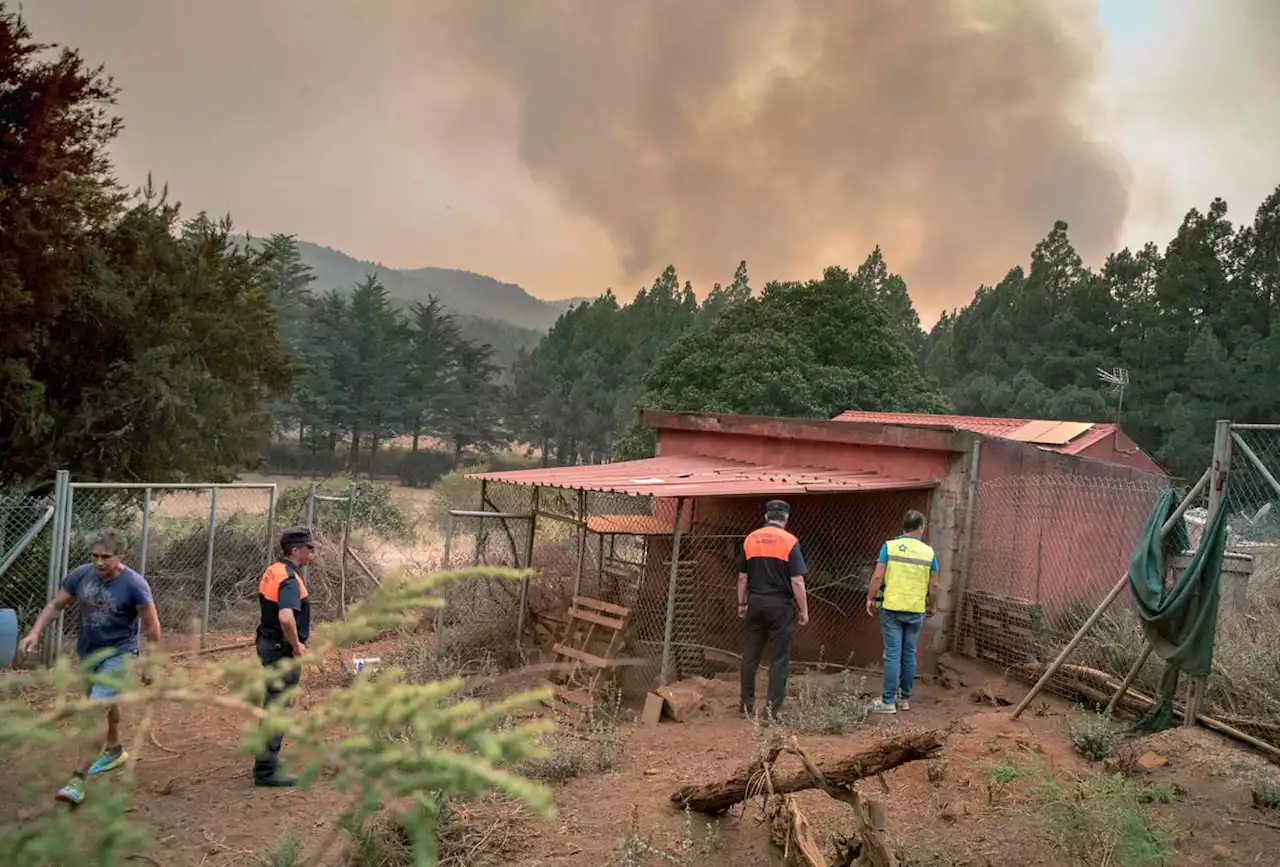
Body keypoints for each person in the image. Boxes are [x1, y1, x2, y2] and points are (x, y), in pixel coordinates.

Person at [19, 528, 162, 805]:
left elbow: (152, 626)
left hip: (120, 653)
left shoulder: (134, 584)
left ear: (120, 555)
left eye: (106, 557)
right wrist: (35, 632)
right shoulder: (81, 575)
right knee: (105, 702)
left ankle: (77, 779)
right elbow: (55, 605)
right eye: (95, 556)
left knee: (94, 709)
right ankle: (114, 749)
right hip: (88, 652)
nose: (99, 562)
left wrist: (150, 663)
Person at [252, 525, 314, 787]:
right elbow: (286, 617)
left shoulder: (274, 570)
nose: (313, 551)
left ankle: (266, 763)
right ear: (296, 549)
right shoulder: (289, 578)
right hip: (280, 650)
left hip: (267, 643)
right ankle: (266, 771)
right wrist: (297, 645)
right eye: (309, 547)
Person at [736, 499, 809, 720]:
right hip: (780, 606)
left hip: (756, 603)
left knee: (750, 655)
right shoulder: (790, 541)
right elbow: (797, 581)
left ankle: (746, 705)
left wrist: (741, 604)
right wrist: (804, 609)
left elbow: (742, 578)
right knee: (779, 659)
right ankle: (772, 711)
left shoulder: (751, 539)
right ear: (785, 519)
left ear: (766, 517)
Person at [865, 510, 939, 715]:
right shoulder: (929, 552)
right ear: (921, 528)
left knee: (892, 655)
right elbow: (934, 585)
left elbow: (878, 576)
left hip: (892, 609)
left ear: (903, 526)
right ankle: (904, 699)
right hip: (916, 610)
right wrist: (932, 605)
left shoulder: (889, 547)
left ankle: (887, 702)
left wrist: (871, 598)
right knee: (909, 654)